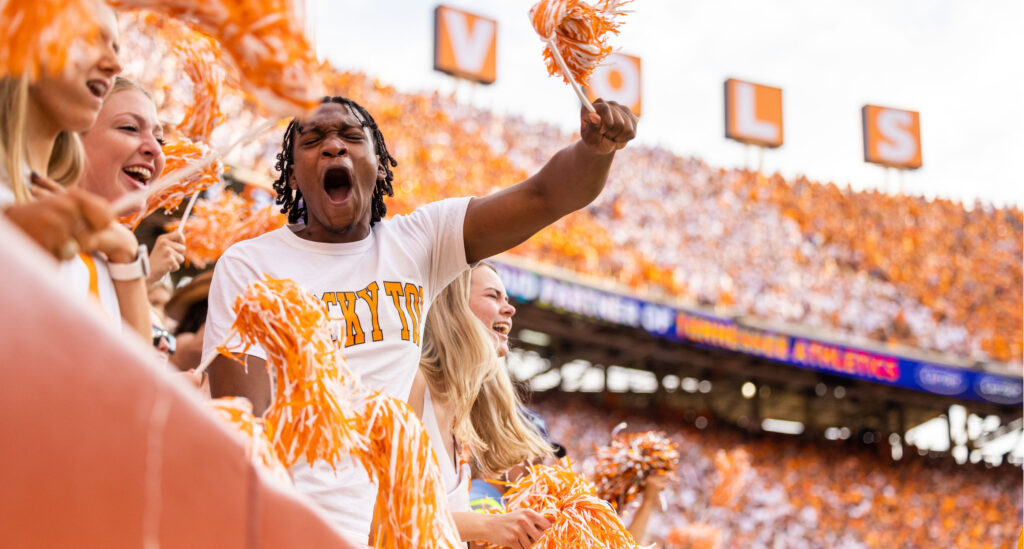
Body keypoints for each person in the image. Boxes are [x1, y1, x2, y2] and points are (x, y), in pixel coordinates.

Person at [202, 94, 637, 544]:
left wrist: (594, 152)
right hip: (292, 528)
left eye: (353, 137)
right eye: (313, 140)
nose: (334, 147)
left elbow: (544, 196)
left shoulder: (417, 243)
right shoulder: (249, 265)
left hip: (393, 533)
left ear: (379, 162)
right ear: (292, 172)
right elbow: (245, 428)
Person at [408, 264, 553, 548]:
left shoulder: (461, 415)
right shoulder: (415, 385)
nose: (509, 309)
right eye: (493, 296)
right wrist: (489, 526)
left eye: (507, 300)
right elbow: (386, 511)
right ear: (452, 306)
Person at [0, 0, 122, 259]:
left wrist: (129, 258)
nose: (116, 65)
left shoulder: (89, 235)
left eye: (115, 48)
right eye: (90, 37)